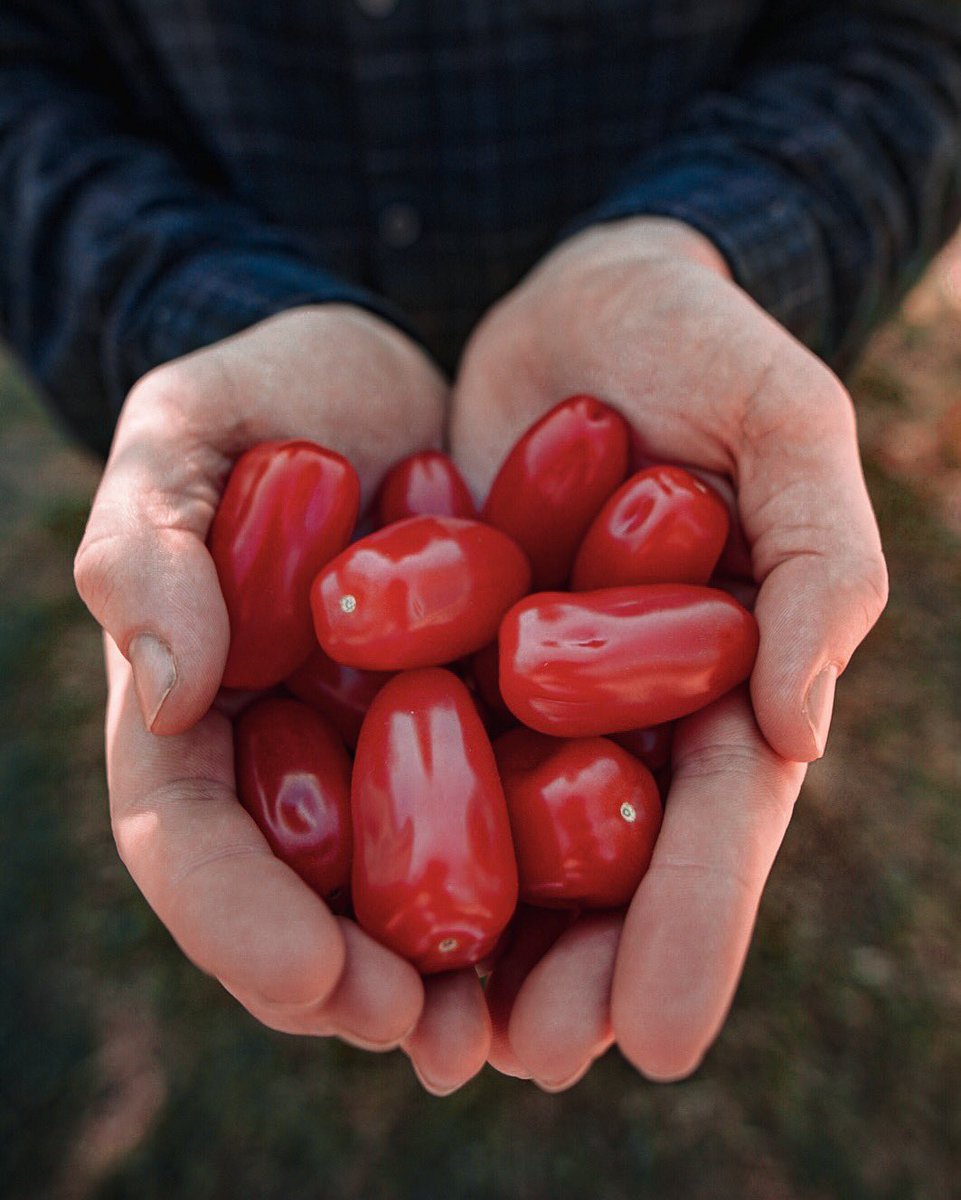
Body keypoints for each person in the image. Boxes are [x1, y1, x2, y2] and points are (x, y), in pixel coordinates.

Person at [2, 0, 959, 1096]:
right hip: (272, 302)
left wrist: (707, 247)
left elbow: (914, 34)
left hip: (612, 305)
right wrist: (190, 313)